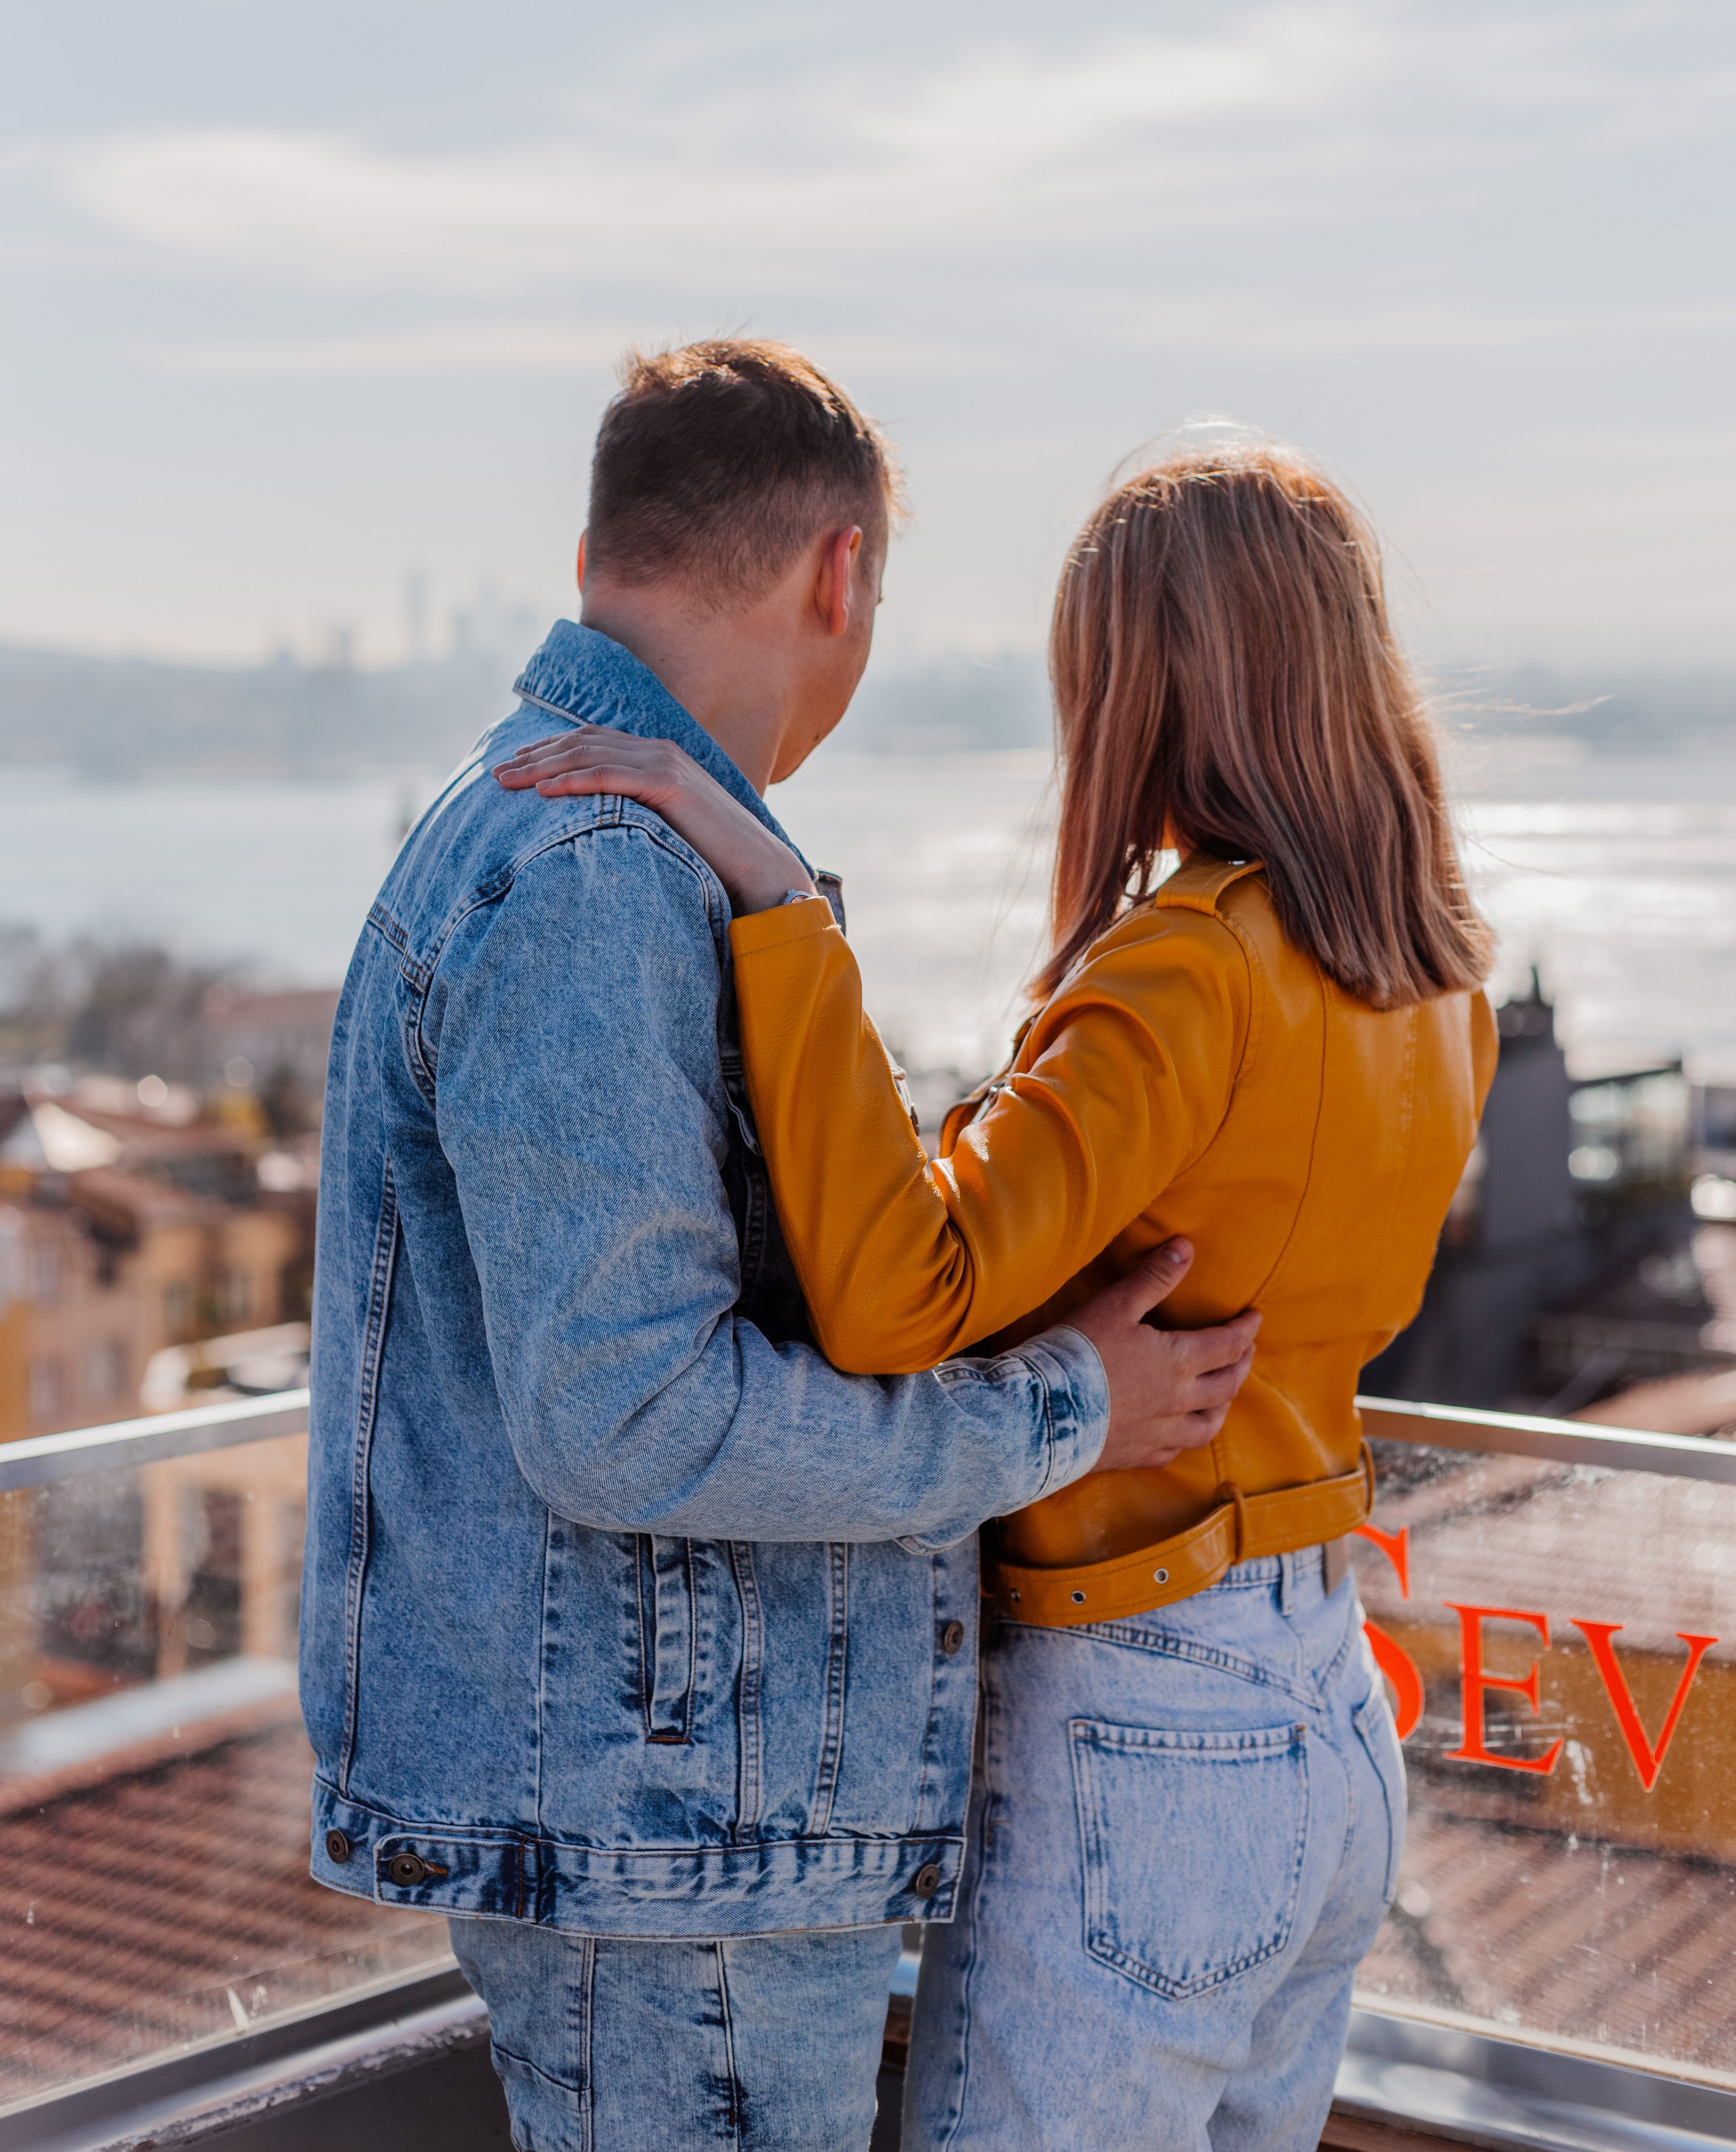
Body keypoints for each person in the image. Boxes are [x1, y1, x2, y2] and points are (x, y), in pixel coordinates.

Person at [302, 341, 1258, 2152]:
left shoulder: (595, 836)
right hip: (674, 1854)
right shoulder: (595, 876)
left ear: (608, 553)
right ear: (838, 574)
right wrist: (1071, 1409)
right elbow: (631, 1421)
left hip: (662, 1834)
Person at [498, 437, 1499, 2152]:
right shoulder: (1429, 980)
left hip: (1145, 1723)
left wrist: (779, 906)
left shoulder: (1184, 970)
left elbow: (902, 1294)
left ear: (1130, 682)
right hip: (1326, 1707)